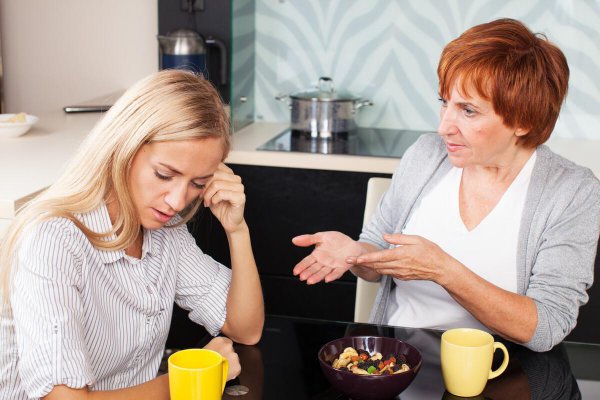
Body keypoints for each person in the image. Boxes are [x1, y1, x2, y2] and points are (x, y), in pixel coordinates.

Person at [292, 18, 600, 352]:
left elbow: (547, 327)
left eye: (468, 110)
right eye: (444, 102)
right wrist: (356, 254)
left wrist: (444, 271)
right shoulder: (425, 155)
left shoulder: (572, 192)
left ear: (524, 120)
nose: (444, 127)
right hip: (398, 365)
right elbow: (375, 253)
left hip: (504, 375)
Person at [0, 69, 264, 399]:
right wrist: (194, 376)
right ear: (124, 147)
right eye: (165, 174)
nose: (177, 200)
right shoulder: (53, 241)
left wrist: (237, 229)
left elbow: (246, 329)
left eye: (198, 183)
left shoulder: (166, 232)